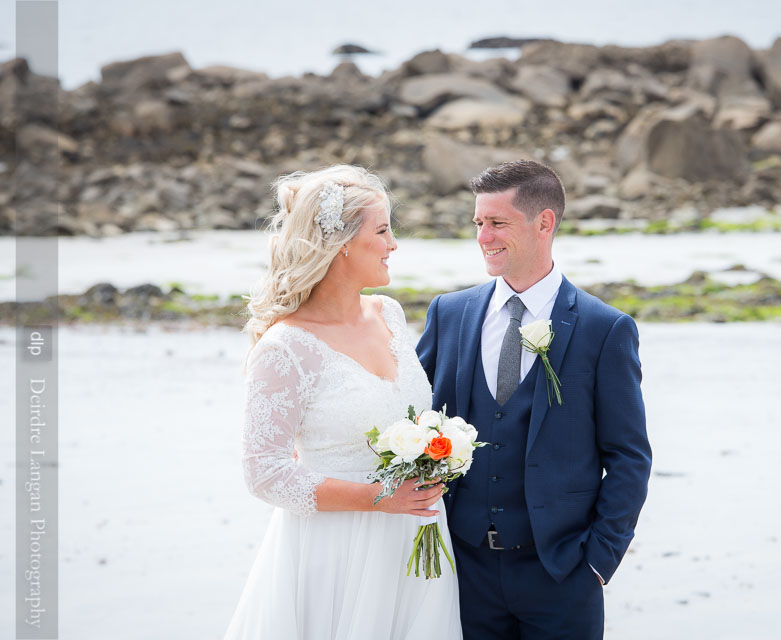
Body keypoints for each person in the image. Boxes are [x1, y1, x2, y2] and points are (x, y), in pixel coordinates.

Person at [416, 160, 652, 639]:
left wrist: (598, 563)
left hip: (562, 574)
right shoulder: (449, 313)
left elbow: (629, 456)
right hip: (463, 571)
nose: (484, 237)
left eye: (498, 223)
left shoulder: (604, 328)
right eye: (479, 223)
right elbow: (412, 416)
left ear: (544, 222)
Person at [225, 165, 461, 639]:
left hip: (415, 541)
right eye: (382, 230)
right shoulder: (285, 347)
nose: (394, 244)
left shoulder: (390, 315)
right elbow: (264, 473)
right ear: (342, 244)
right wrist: (378, 499)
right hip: (335, 549)